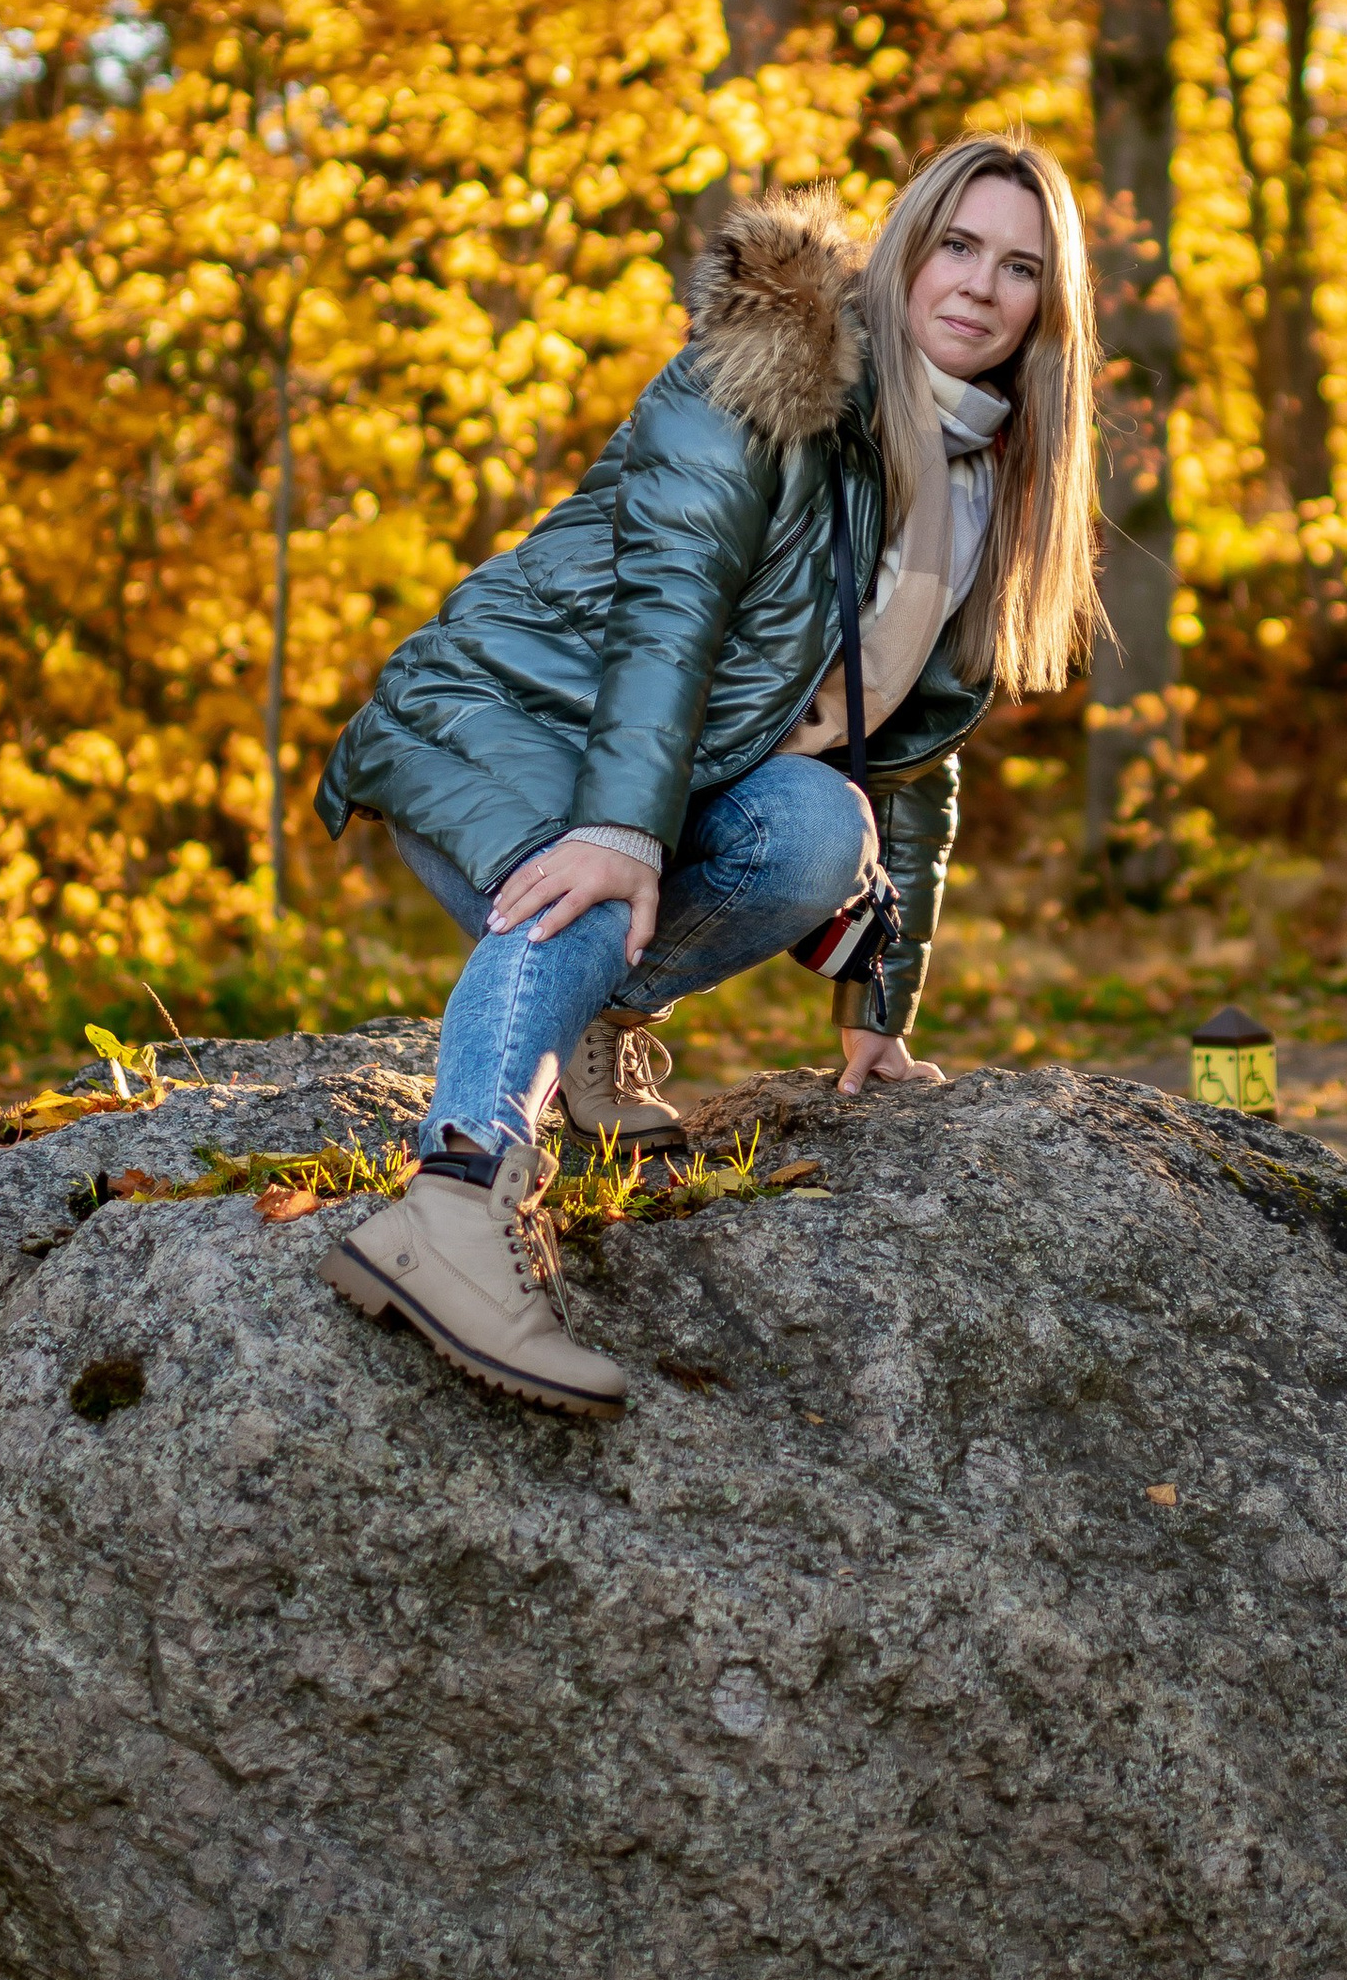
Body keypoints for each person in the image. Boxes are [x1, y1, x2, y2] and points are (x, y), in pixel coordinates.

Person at [311, 134, 1102, 1419]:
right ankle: (453, 1201)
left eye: (1019, 266)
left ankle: (593, 1014)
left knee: (818, 824)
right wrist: (618, 830)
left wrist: (877, 1007)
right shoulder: (769, 376)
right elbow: (666, 612)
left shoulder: (987, 485)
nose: (980, 284)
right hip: (504, 720)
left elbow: (904, 763)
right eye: (956, 244)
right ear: (905, 250)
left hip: (675, 786)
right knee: (584, 876)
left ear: (1047, 306)